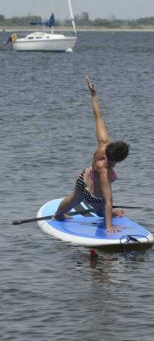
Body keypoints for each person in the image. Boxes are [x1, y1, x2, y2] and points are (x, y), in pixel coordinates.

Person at [53, 76, 130, 234]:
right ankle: (102, 217)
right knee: (103, 209)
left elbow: (98, 117)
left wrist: (93, 94)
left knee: (73, 198)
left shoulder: (104, 142)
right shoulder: (104, 170)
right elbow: (108, 200)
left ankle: (58, 215)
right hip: (93, 194)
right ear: (117, 160)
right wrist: (109, 226)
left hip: (83, 178)